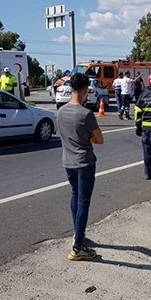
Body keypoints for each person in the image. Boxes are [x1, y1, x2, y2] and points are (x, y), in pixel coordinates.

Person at [57, 73, 104, 261]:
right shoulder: (86, 114)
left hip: (68, 162)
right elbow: (100, 139)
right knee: (84, 201)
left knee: (75, 196)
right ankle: (78, 247)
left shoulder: (60, 111)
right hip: (84, 162)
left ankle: (78, 234)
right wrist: (90, 138)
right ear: (85, 91)